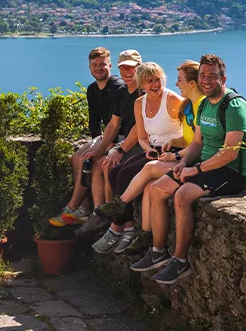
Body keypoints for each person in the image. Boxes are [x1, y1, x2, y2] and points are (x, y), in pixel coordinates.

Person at [131, 53, 246, 285]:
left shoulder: (234, 106)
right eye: (202, 75)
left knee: (182, 195)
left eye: (212, 76)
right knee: (157, 189)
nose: (206, 80)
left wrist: (195, 171)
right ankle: (158, 252)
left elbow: (230, 152)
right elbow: (197, 142)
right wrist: (183, 163)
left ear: (223, 78)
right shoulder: (205, 104)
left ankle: (180, 260)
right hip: (205, 166)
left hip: (231, 172)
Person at [93, 60, 204, 253]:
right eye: (149, 81)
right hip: (153, 149)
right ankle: (127, 226)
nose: (155, 84)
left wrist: (174, 150)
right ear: (142, 84)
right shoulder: (139, 103)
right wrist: (147, 149)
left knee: (125, 175)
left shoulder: (175, 101)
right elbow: (143, 137)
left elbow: (192, 137)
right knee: (114, 173)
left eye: (158, 79)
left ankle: (117, 228)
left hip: (172, 153)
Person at [48, 46, 124, 227]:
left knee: (85, 160)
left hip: (118, 136)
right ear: (89, 68)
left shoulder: (117, 87)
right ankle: (82, 209)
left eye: (102, 64)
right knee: (75, 158)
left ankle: (72, 206)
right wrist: (95, 141)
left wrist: (101, 147)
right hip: (105, 135)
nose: (98, 68)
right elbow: (94, 121)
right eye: (94, 65)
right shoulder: (92, 89)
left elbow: (117, 124)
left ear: (110, 65)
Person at [72, 49, 144, 236]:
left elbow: (138, 129)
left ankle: (113, 222)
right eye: (124, 68)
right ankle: (97, 212)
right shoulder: (122, 91)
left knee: (105, 165)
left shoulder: (143, 91)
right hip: (121, 140)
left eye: (131, 68)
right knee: (87, 159)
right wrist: (99, 148)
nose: (127, 72)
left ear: (139, 67)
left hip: (141, 144)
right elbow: (112, 124)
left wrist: (117, 149)